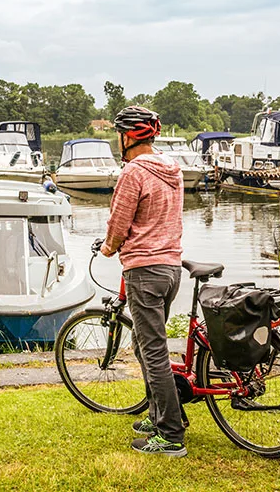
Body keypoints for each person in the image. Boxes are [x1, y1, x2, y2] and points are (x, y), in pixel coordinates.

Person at [101, 106, 187, 458]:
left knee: (153, 352)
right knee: (143, 342)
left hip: (144, 271)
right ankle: (161, 414)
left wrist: (108, 247)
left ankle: (170, 435)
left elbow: (119, 221)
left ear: (127, 137)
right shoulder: (173, 170)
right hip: (171, 268)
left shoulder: (133, 173)